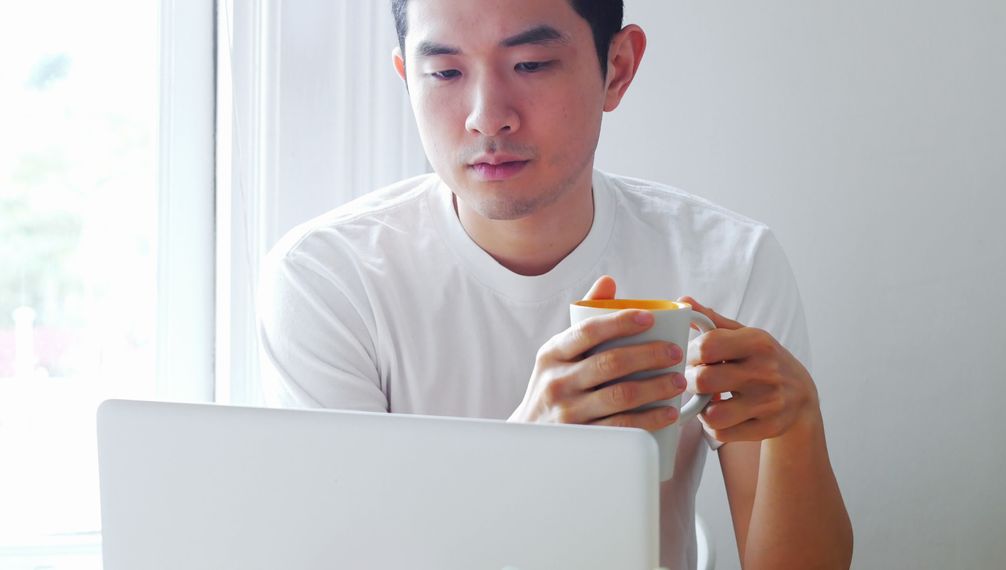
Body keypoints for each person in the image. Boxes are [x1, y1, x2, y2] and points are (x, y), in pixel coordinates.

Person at [257, 0, 853, 568]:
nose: (487, 115)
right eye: (444, 71)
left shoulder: (727, 263)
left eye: (531, 64)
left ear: (616, 69)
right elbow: (345, 555)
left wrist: (799, 429)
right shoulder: (328, 279)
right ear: (405, 77)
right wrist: (526, 454)